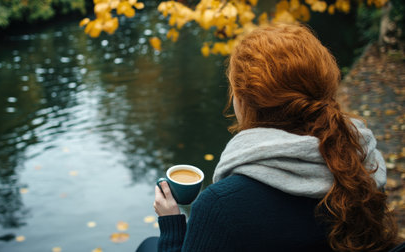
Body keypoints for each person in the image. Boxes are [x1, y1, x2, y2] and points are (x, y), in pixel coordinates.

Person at [139, 23, 401, 252]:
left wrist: (172, 224)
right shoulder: (363, 161)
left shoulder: (221, 206)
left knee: (148, 246)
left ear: (241, 101)